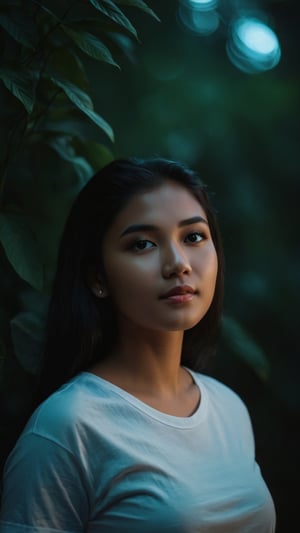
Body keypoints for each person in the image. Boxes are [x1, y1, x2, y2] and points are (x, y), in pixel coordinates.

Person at [0, 158, 276, 532]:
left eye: (193, 236)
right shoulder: (68, 426)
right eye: (142, 244)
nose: (178, 264)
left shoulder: (229, 409)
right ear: (97, 276)